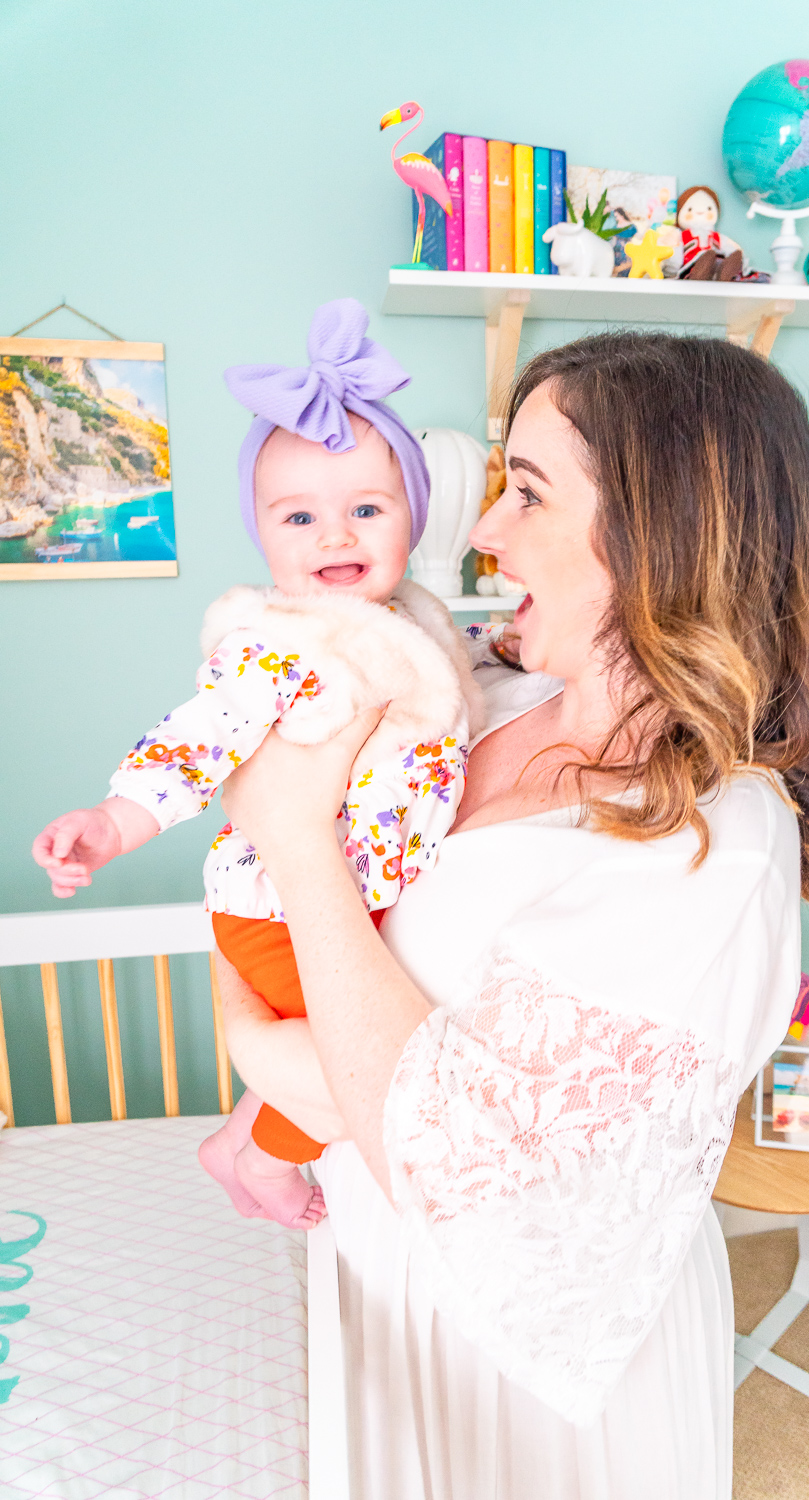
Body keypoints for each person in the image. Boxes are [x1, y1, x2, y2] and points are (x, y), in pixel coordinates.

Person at [215, 331, 809, 1499]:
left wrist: (291, 871)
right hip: (377, 1273)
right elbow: (253, 885)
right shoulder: (479, 689)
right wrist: (276, 1026)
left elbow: (459, 1156)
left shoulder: (713, 839)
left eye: (527, 491)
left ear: (658, 529)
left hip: (513, 1352)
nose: (481, 530)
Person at [31, 299, 482, 1233]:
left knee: (339, 1038)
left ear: (412, 518)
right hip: (279, 908)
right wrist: (116, 820)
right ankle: (264, 1159)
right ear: (263, 532)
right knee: (342, 1069)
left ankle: (235, 1137)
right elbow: (201, 738)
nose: (336, 536)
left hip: (348, 903)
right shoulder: (279, 645)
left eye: (366, 509)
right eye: (300, 516)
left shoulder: (421, 626)